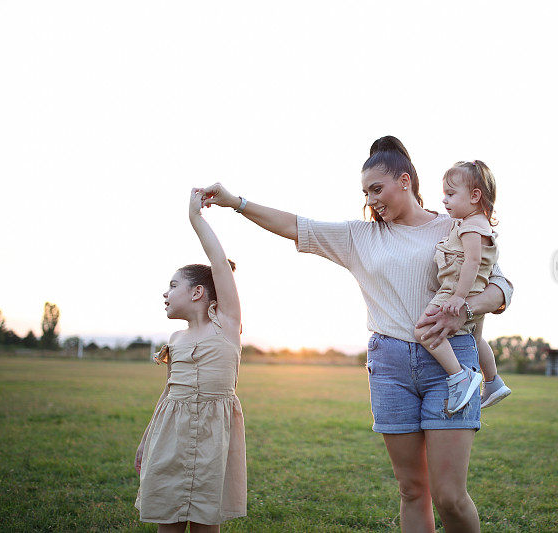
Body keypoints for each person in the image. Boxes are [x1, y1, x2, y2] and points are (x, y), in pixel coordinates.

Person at [197, 136, 513, 532]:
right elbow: (294, 225)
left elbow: (502, 289)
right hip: (390, 367)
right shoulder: (359, 237)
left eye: (377, 189)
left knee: (449, 495)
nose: (372, 199)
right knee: (412, 490)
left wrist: (463, 310)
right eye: (366, 192)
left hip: (451, 366)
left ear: (405, 180)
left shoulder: (457, 225)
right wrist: (235, 202)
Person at [134, 189, 246, 533]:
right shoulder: (176, 340)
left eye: (173, 286)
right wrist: (146, 439)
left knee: (203, 522)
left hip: (212, 438)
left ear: (198, 292)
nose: (165, 294)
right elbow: (168, 392)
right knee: (167, 517)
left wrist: (195, 218)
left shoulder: (226, 325)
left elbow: (217, 261)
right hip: (171, 436)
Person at [414, 160, 512, 413]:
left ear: (475, 196)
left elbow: (472, 260)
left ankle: (459, 376)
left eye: (451, 194)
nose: (444, 200)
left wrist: (458, 296)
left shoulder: (470, 227)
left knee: (424, 330)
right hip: (478, 291)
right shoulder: (479, 224)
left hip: (454, 290)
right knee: (476, 338)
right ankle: (493, 382)